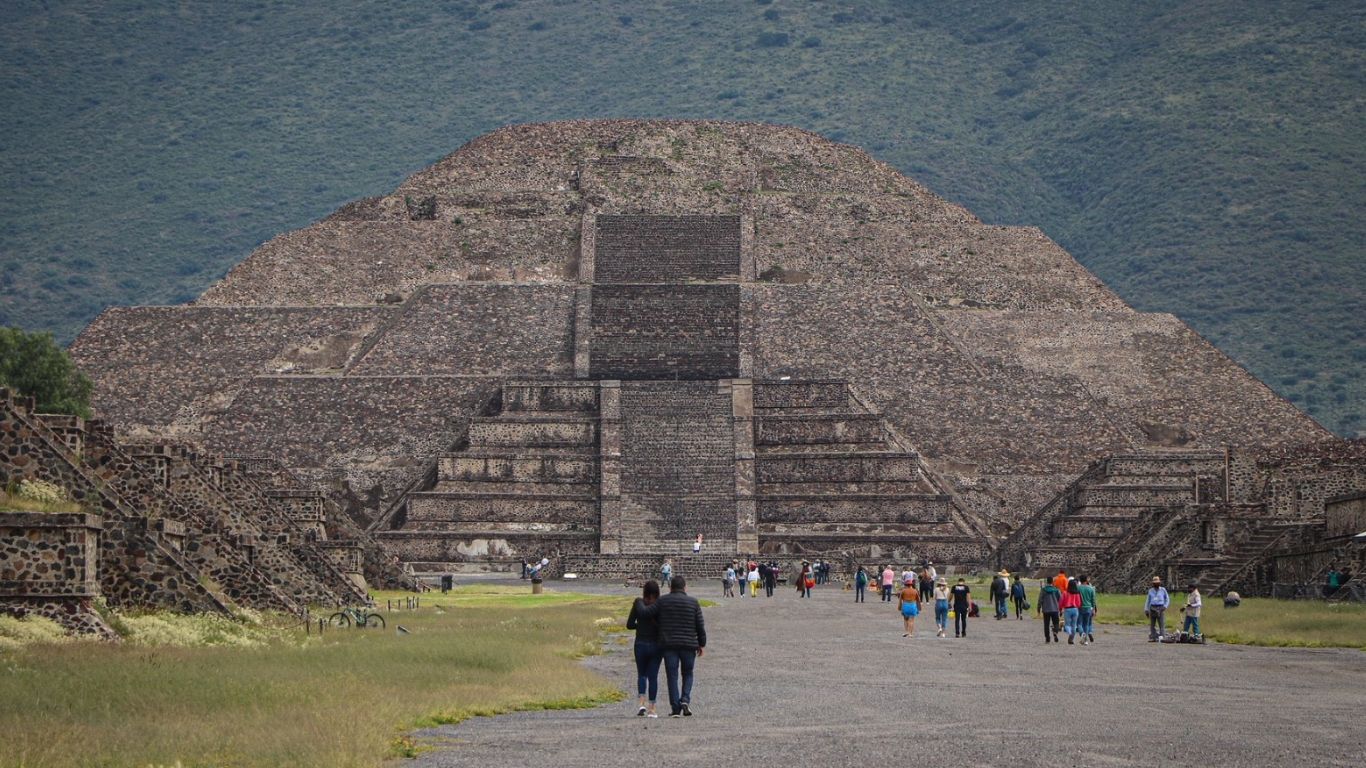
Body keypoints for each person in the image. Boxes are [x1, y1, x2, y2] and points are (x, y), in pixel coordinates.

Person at [641, 576, 707, 718]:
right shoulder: (693, 602)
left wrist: (639, 602)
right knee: (688, 673)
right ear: (685, 587)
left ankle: (675, 708)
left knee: (672, 676)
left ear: (670, 587)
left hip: (669, 644)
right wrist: (702, 643)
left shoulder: (663, 601)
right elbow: (700, 625)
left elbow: (647, 613)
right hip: (689, 644)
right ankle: (685, 699)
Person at [626, 580, 663, 717]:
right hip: (656, 644)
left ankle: (641, 703)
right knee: (653, 676)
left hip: (640, 642)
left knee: (642, 674)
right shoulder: (660, 605)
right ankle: (652, 708)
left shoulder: (638, 603)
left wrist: (640, 626)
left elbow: (629, 624)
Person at [1145, 576, 1170, 642]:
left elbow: (1167, 599)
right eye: (1154, 583)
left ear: (1159, 583)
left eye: (1157, 583)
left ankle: (1162, 637)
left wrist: (1165, 606)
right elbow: (1148, 601)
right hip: (1152, 607)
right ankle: (1153, 637)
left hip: (1160, 607)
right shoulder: (1150, 591)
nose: (1156, 584)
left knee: (1161, 624)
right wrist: (1146, 610)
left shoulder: (1163, 590)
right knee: (1152, 624)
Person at [1037, 578, 1061, 643]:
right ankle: (1055, 631)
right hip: (1055, 609)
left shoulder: (1043, 590)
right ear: (1052, 582)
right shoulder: (1056, 590)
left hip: (1046, 610)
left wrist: (1038, 609)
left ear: (1047, 582)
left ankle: (1047, 638)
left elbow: (1040, 600)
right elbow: (1060, 599)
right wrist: (1060, 609)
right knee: (1056, 623)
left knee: (1046, 624)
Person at [1060, 577, 1082, 645]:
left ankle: (1069, 633)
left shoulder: (1065, 593)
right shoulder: (1077, 593)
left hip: (1067, 609)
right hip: (1075, 609)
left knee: (1067, 625)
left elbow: (1061, 602)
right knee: (1074, 625)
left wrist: (1060, 608)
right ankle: (1071, 638)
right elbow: (1079, 603)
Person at [1078, 575, 1097, 644]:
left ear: (1080, 580)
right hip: (1089, 608)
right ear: (1086, 580)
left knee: (1079, 623)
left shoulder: (1078, 588)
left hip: (1080, 607)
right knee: (1086, 624)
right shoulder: (1091, 588)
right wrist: (1094, 609)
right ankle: (1085, 640)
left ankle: (1082, 634)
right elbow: (1093, 600)